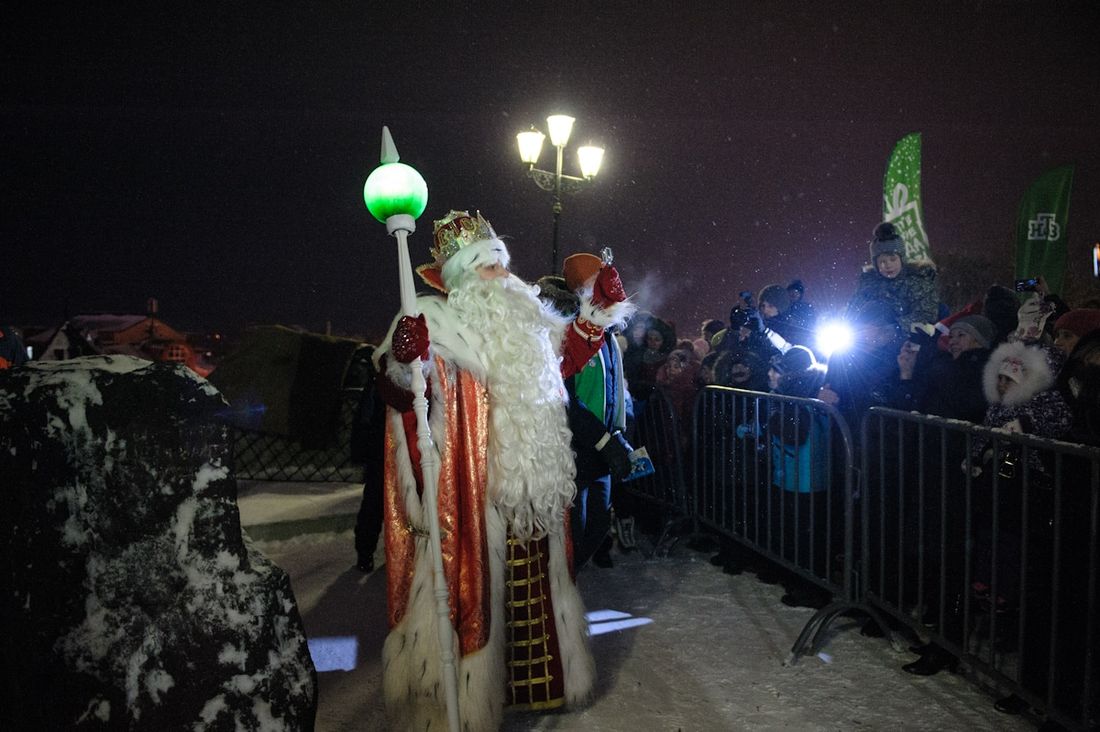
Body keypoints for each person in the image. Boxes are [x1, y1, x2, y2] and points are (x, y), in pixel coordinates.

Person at [373, 210, 631, 729]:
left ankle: (534, 690)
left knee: (532, 597)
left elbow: (565, 355)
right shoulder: (435, 322)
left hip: (534, 490)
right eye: (488, 267)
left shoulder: (526, 318)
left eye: (501, 263)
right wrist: (407, 362)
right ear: (462, 276)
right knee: (476, 596)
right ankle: (465, 704)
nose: (502, 275)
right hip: (474, 491)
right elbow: (403, 392)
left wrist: (600, 307)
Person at [847, 222, 939, 336]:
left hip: (906, 337)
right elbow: (853, 309)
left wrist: (896, 327)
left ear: (902, 259)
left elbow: (926, 313)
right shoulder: (868, 285)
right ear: (876, 265)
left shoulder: (918, 281)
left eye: (893, 259)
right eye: (882, 262)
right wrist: (853, 327)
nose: (888, 265)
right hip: (870, 338)